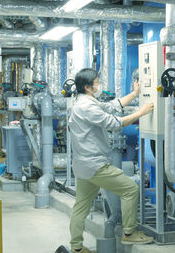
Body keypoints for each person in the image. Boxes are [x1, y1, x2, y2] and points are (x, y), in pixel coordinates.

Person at [69, 68, 154, 253]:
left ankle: (76, 248)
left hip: (83, 166)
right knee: (131, 189)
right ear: (88, 86)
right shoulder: (87, 107)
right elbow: (114, 123)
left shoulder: (83, 102)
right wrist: (141, 113)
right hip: (96, 165)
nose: (99, 85)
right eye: (97, 82)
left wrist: (134, 94)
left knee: (81, 205)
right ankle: (129, 233)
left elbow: (111, 106)